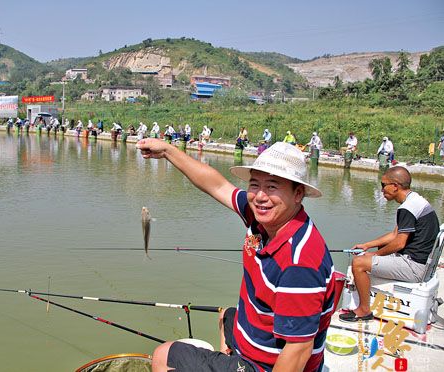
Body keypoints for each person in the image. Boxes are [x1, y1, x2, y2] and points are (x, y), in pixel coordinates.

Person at [137, 140, 335, 372]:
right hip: (255, 340)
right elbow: (217, 186)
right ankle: (230, 357)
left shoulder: (299, 263)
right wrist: (169, 151)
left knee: (164, 355)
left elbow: (298, 349)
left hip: (265, 365)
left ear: (298, 193)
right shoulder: (261, 216)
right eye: (254, 184)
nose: (260, 196)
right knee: (227, 316)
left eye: (272, 187)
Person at [340, 166, 440, 322]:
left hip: (414, 267)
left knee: (359, 263)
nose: (381, 190)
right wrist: (367, 245)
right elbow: (395, 234)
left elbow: (399, 243)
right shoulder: (416, 200)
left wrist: (374, 254)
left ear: (395, 186)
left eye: (383, 185)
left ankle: (363, 310)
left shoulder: (406, 208)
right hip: (421, 262)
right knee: (372, 253)